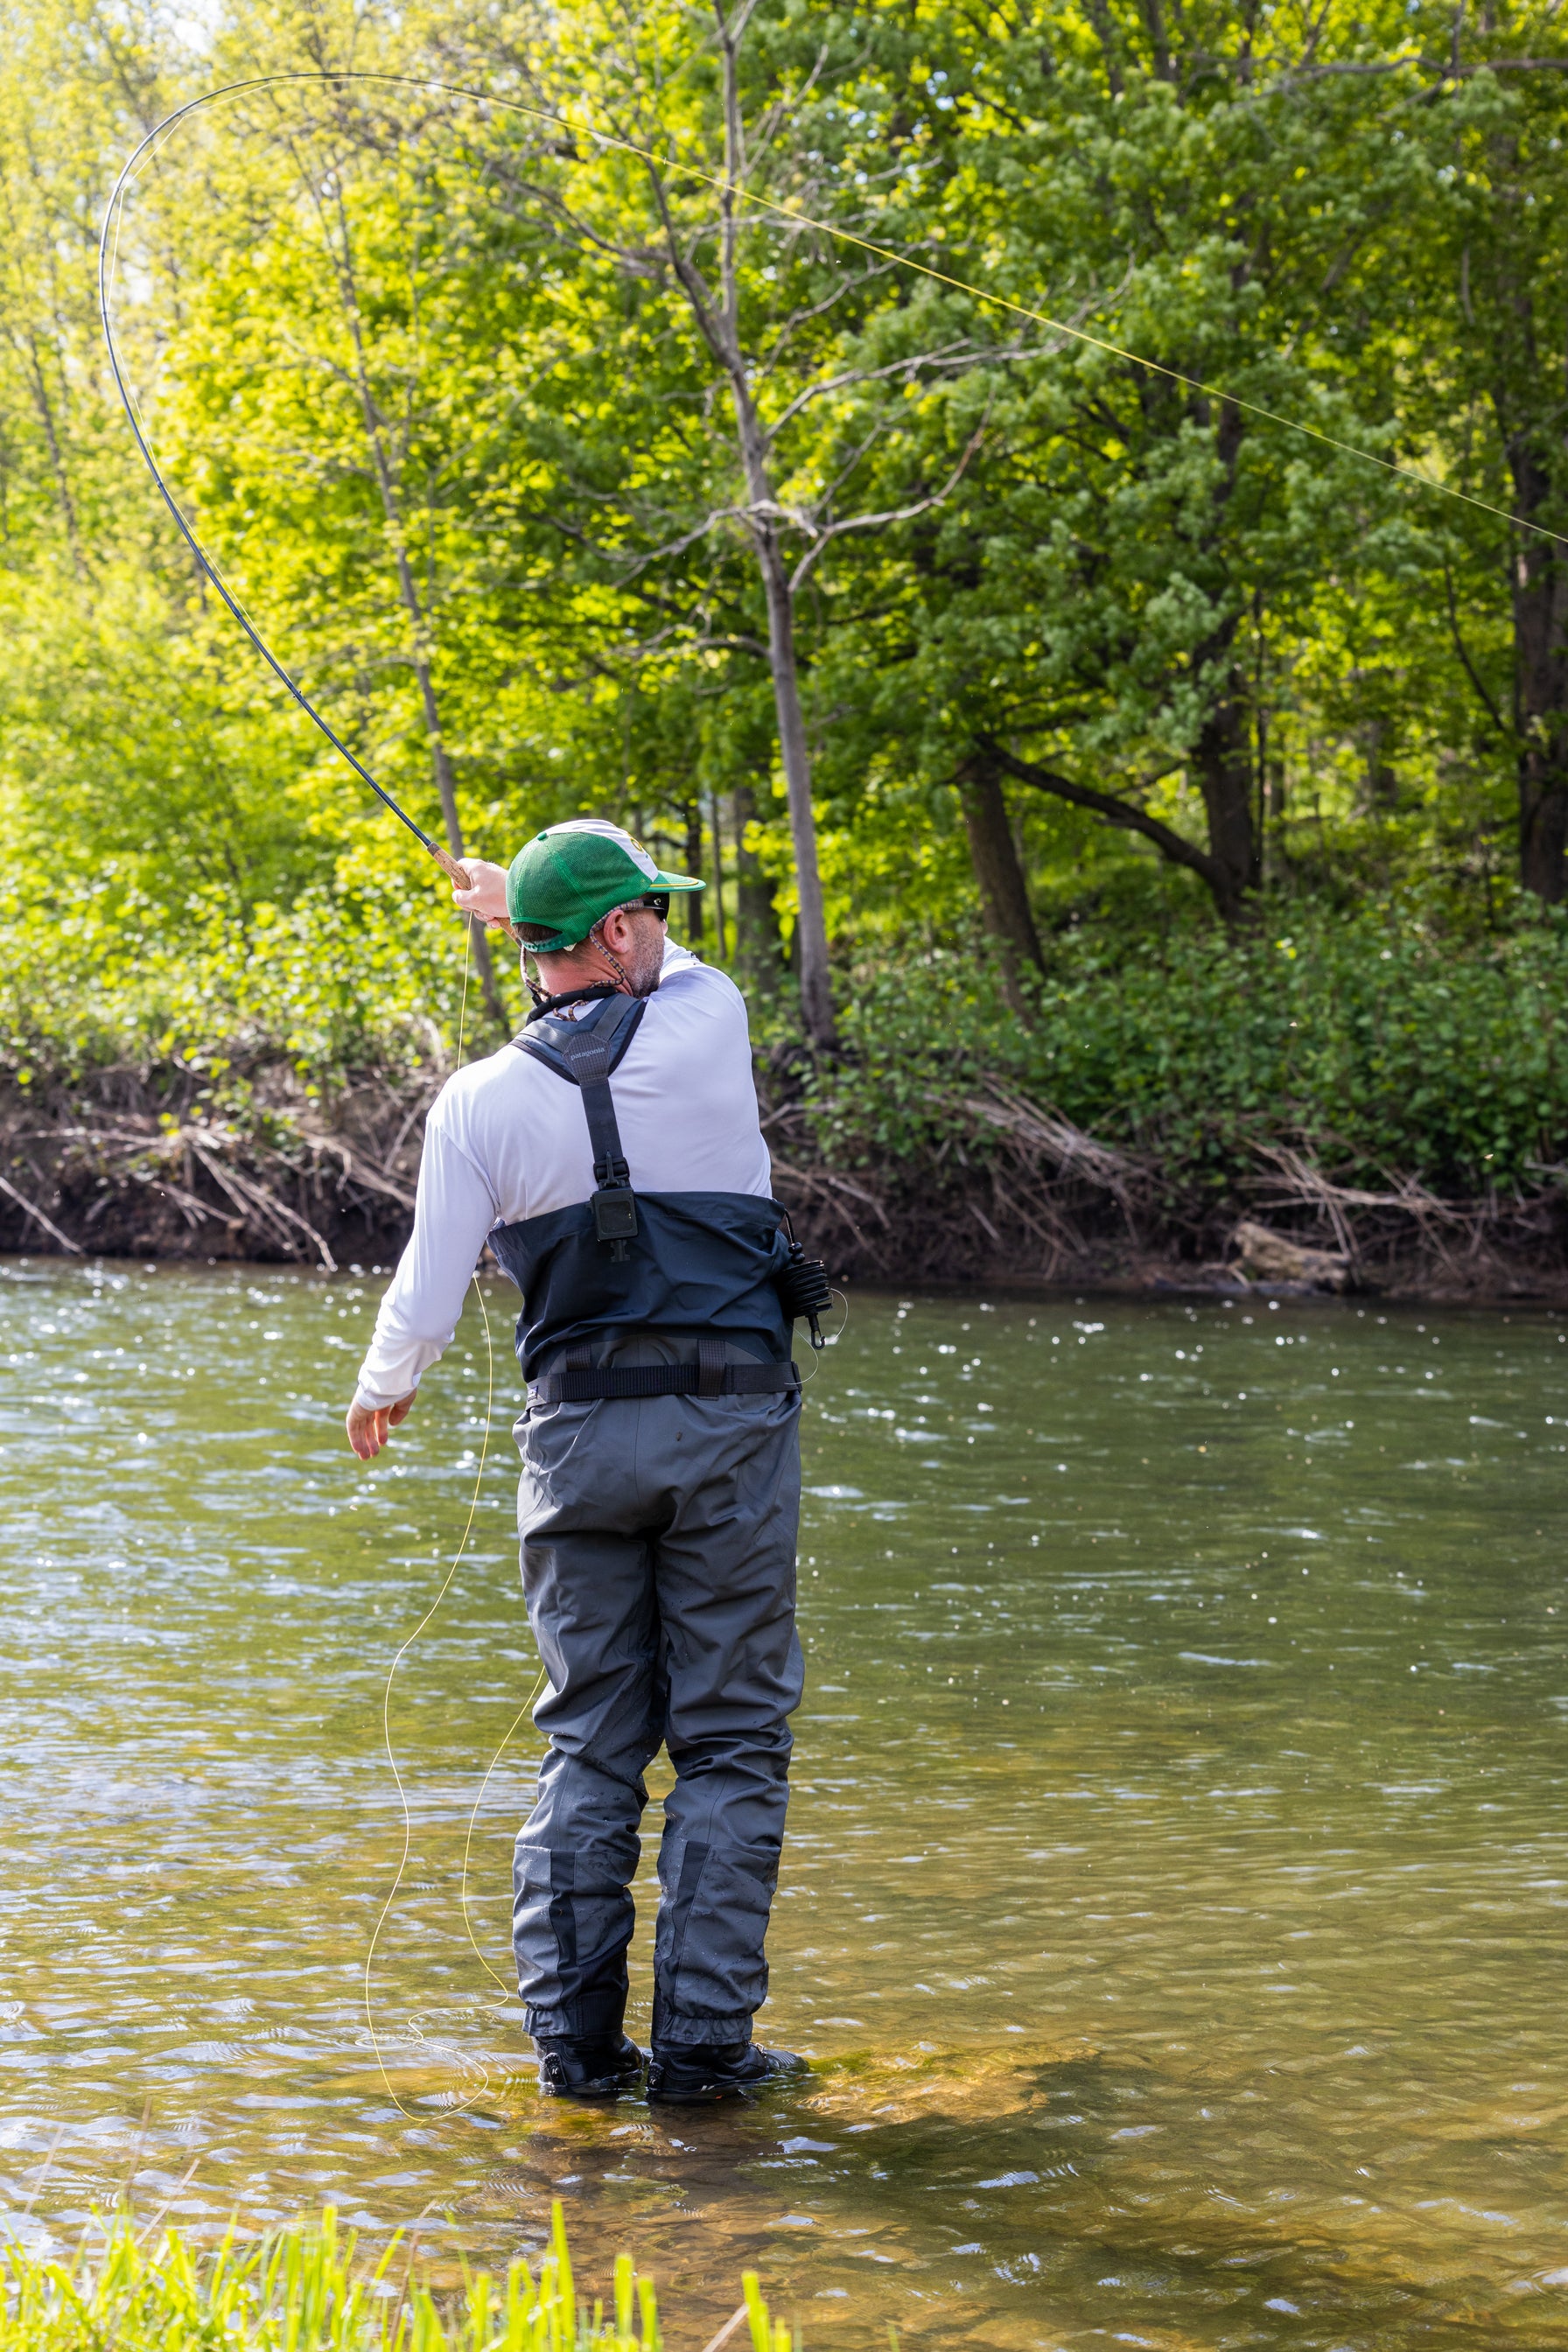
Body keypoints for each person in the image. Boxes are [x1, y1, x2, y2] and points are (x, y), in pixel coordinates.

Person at [346, 818, 808, 2107]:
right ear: (619, 932)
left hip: (575, 1445)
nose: (665, 923)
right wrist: (513, 903)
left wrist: (384, 1391)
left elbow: (426, 1300)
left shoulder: (475, 1103)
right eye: (648, 906)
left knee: (592, 1745)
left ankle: (577, 2059)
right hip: (731, 1430)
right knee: (729, 1744)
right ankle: (708, 2061)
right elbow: (668, 969)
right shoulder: (712, 1019)